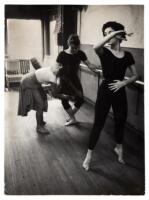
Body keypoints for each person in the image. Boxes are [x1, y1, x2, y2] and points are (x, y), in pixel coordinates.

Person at [82, 21, 138, 170]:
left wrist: (123, 83)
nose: (107, 36)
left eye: (110, 33)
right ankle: (89, 155)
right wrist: (115, 33)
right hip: (106, 89)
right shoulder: (104, 52)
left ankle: (119, 148)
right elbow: (95, 46)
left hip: (119, 90)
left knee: (120, 121)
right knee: (98, 123)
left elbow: (135, 76)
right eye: (105, 34)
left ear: (119, 36)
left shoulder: (128, 55)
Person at [56, 34, 99, 126]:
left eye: (76, 48)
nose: (75, 50)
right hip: (64, 79)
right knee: (64, 100)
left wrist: (96, 69)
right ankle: (72, 119)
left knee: (80, 99)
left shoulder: (80, 53)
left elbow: (89, 64)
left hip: (74, 79)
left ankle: (71, 117)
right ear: (69, 44)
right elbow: (56, 68)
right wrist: (57, 81)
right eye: (73, 48)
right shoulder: (62, 54)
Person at [18, 58, 63, 134]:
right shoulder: (53, 77)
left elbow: (49, 86)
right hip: (28, 82)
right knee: (40, 104)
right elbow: (54, 94)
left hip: (32, 80)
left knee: (43, 98)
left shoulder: (53, 68)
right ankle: (39, 127)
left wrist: (52, 88)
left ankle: (40, 121)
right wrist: (65, 96)